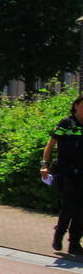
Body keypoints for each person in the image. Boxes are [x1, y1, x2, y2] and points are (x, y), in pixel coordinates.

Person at [41, 95, 83, 254]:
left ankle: (74, 243)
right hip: (67, 172)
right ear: (76, 106)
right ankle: (58, 236)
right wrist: (44, 165)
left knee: (81, 210)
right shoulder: (66, 123)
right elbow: (50, 145)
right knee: (69, 206)